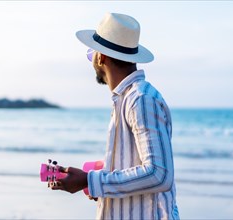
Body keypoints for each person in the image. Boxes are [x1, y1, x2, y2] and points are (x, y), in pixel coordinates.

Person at [51, 12, 180, 220]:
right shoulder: (127, 99)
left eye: (92, 54)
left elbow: (159, 174)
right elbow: (140, 168)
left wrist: (89, 181)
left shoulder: (141, 99)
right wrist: (99, 182)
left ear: (101, 57)